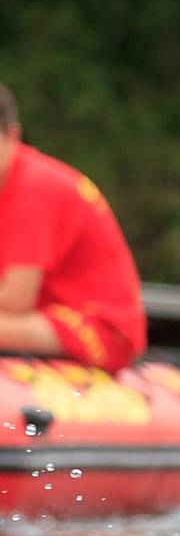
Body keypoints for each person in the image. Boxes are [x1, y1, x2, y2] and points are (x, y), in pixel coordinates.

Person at [0, 84, 147, 372]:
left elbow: (16, 300)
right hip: (47, 316)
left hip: (103, 329)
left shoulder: (32, 187)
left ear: (13, 136)